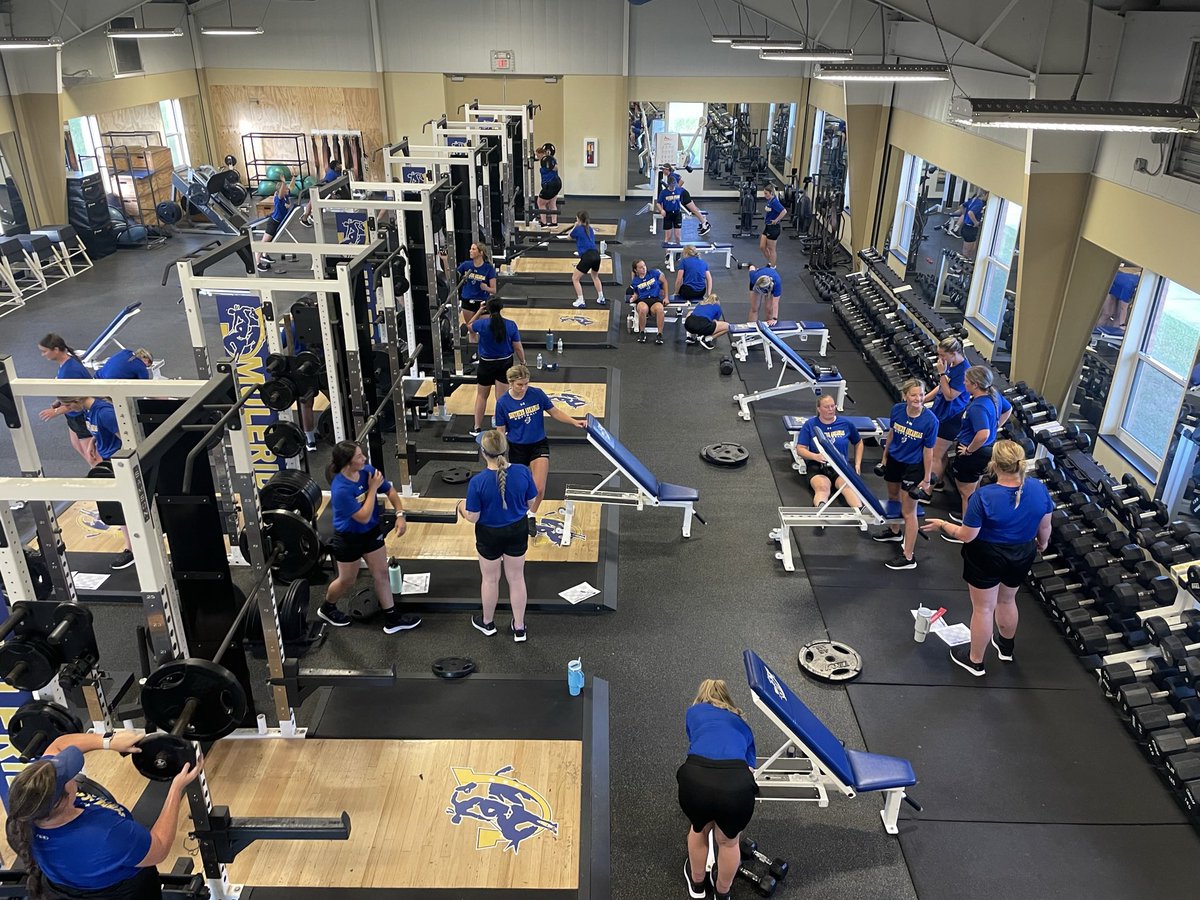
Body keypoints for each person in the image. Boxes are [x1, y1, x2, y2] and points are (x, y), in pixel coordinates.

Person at [5, 732, 202, 900]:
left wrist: (108, 741)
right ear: (61, 801)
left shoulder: (25, 811)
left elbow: (59, 745)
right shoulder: (106, 835)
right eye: (69, 777)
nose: (74, 776)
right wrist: (176, 788)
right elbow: (159, 848)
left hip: (62, 889)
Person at [921, 440, 1053, 676]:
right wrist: (1041, 545)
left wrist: (942, 524)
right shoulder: (1038, 489)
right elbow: (1045, 527)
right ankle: (1005, 648)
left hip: (987, 554)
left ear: (994, 465)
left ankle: (975, 661)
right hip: (1022, 552)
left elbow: (966, 536)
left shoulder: (983, 496)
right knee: (1007, 600)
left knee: (983, 608)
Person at [323, 440, 421, 633]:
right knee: (347, 580)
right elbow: (363, 516)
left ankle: (392, 619)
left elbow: (390, 490)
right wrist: (373, 488)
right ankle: (327, 607)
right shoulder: (340, 489)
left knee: (382, 574)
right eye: (359, 456)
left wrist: (400, 514)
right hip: (348, 538)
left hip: (371, 532)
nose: (364, 458)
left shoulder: (367, 471)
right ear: (348, 463)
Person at [677, 678, 757, 900]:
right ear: (726, 698)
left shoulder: (693, 712)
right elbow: (751, 766)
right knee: (729, 842)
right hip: (735, 785)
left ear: (702, 695)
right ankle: (722, 893)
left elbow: (694, 740)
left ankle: (697, 884)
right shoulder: (742, 724)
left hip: (696, 778)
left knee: (699, 829)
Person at [456, 430, 538, 642]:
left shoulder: (478, 482)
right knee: (517, 578)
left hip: (489, 534)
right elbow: (531, 503)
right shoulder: (522, 472)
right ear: (506, 448)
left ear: (484, 453)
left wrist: (460, 507)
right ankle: (519, 628)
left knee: (490, 579)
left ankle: (488, 623)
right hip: (517, 530)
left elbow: (473, 517)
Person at [494, 364, 586, 534]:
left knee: (539, 488)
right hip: (517, 448)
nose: (524, 388)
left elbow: (555, 412)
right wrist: (500, 456)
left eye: (526, 383)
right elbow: (500, 432)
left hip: (538, 445)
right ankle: (518, 515)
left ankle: (531, 514)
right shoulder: (502, 404)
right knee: (519, 488)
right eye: (520, 385)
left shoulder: (537, 394)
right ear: (510, 383)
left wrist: (574, 421)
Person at [58, 395, 136, 571]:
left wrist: (122, 466)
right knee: (116, 507)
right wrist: (94, 441)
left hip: (118, 463)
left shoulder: (104, 413)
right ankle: (131, 547)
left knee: (124, 506)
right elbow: (101, 431)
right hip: (108, 460)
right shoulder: (88, 410)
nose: (68, 410)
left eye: (68, 406)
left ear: (77, 400)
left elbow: (128, 439)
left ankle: (134, 548)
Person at [872, 379, 939, 571]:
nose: (918, 398)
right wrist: (884, 457)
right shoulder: (897, 410)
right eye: (913, 395)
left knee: (909, 511)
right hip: (894, 459)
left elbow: (929, 452)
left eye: (921, 394)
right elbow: (892, 434)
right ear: (905, 396)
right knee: (893, 496)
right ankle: (894, 532)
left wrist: (926, 479)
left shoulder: (930, 421)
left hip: (914, 466)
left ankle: (908, 556)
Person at [942, 366, 1012, 540]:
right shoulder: (994, 395)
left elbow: (983, 434)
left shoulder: (978, 407)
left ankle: (966, 531)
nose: (964, 383)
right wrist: (996, 426)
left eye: (966, 381)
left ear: (974, 384)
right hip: (986, 452)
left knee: (967, 493)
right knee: (974, 489)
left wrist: (968, 450)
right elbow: (1008, 409)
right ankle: (972, 521)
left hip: (975, 453)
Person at [793, 394, 863, 510]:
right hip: (817, 465)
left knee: (847, 487)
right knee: (822, 487)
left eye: (832, 406)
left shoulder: (846, 424)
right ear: (819, 409)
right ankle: (821, 509)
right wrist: (815, 456)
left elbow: (859, 442)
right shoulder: (810, 425)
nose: (831, 409)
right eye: (826, 407)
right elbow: (800, 449)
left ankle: (860, 511)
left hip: (840, 465)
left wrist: (857, 464)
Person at [37, 335, 97, 466]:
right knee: (79, 447)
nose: (43, 354)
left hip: (80, 416)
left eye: (45, 351)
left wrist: (57, 411)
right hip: (73, 417)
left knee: (92, 456)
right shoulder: (66, 364)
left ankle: (105, 477)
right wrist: (60, 401)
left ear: (56, 349)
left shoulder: (70, 371)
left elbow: (78, 401)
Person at [469, 298, 524, 437]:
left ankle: (477, 428)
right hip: (505, 364)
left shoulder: (481, 324)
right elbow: (517, 346)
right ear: (501, 308)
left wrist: (478, 311)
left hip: (486, 364)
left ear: (488, 308)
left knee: (482, 396)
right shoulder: (511, 325)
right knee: (501, 398)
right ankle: (501, 428)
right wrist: (523, 361)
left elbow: (469, 325)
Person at [925, 336, 970, 490]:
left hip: (951, 417)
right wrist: (923, 399)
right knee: (941, 454)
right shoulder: (951, 364)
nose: (940, 358)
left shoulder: (964, 371)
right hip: (940, 412)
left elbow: (949, 395)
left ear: (954, 353)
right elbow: (941, 387)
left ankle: (927, 492)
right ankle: (938, 482)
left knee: (935, 455)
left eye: (943, 355)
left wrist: (942, 374)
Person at [456, 242, 499, 360]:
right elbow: (450, 276)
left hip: (483, 303)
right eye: (470, 248)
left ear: (480, 253)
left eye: (473, 249)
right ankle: (474, 356)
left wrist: (486, 288)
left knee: (485, 330)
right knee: (472, 330)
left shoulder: (488, 268)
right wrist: (444, 260)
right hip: (467, 301)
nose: (470, 251)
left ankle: (486, 353)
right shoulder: (466, 265)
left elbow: (494, 290)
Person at [257, 175, 297, 271]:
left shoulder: (285, 196)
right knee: (264, 243)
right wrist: (283, 182)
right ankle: (258, 263)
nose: (287, 191)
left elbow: (291, 186)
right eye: (285, 190)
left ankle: (265, 255)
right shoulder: (278, 198)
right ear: (280, 191)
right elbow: (283, 189)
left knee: (270, 242)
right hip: (273, 223)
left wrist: (294, 177)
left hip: (278, 222)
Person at [627, 259, 669, 344]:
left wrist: (666, 297)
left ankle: (659, 334)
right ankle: (642, 332)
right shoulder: (635, 281)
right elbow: (636, 294)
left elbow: (664, 282)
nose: (644, 268)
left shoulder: (654, 273)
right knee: (642, 309)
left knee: (660, 309)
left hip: (655, 299)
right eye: (641, 267)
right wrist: (632, 298)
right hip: (643, 300)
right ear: (636, 270)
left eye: (644, 266)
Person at [569, 210, 606, 309]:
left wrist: (574, 226)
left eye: (576, 218)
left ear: (579, 219)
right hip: (596, 255)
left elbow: (569, 237)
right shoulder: (590, 228)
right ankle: (601, 297)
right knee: (595, 276)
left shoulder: (578, 229)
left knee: (575, 278)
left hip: (588, 256)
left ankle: (581, 300)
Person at [1096, 264, 1141, 330]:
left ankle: (1113, 331)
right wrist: (1122, 325)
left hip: (1119, 287)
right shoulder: (1129, 286)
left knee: (1119, 315)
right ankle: (1094, 332)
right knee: (1107, 313)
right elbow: (1123, 308)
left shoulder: (1135, 281)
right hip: (1110, 288)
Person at [299, 158, 343, 228]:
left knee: (320, 205)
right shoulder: (332, 174)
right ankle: (304, 218)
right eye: (338, 165)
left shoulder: (338, 172)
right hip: (320, 188)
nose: (340, 165)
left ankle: (316, 218)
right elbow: (326, 183)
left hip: (324, 189)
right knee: (311, 203)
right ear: (335, 167)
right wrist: (331, 194)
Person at [759, 183, 787, 267]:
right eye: (764, 193)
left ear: (771, 193)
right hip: (767, 226)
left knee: (772, 249)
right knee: (762, 246)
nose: (765, 195)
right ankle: (771, 262)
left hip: (773, 228)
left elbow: (784, 211)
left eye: (766, 193)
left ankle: (772, 267)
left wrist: (776, 220)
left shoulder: (774, 201)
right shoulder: (770, 200)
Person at [535, 143, 561, 228]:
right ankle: (554, 223)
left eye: (538, 155)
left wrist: (551, 166)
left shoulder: (549, 160)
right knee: (552, 203)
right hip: (556, 183)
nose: (537, 157)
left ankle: (544, 223)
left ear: (542, 154)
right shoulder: (544, 160)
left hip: (551, 184)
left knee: (540, 202)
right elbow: (536, 159)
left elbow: (556, 167)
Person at [958, 190, 987, 259]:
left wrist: (964, 214)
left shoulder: (974, 200)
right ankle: (958, 268)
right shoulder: (979, 203)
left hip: (967, 228)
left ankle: (961, 266)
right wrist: (976, 222)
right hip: (969, 229)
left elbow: (962, 206)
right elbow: (970, 213)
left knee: (972, 248)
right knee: (966, 252)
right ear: (985, 195)